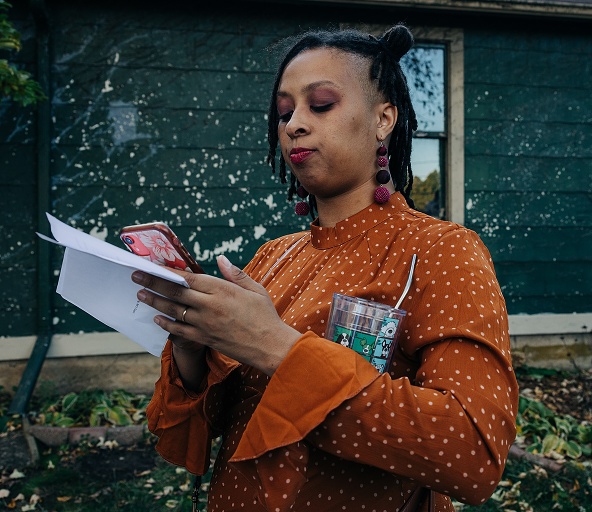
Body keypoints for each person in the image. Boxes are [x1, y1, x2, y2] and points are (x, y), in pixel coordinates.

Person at [132, 23, 519, 512]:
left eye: (321, 104)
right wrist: (193, 350)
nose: (294, 123)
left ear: (384, 119)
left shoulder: (439, 250)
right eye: (284, 110)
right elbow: (204, 436)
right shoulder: (274, 257)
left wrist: (274, 345)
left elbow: (472, 452)